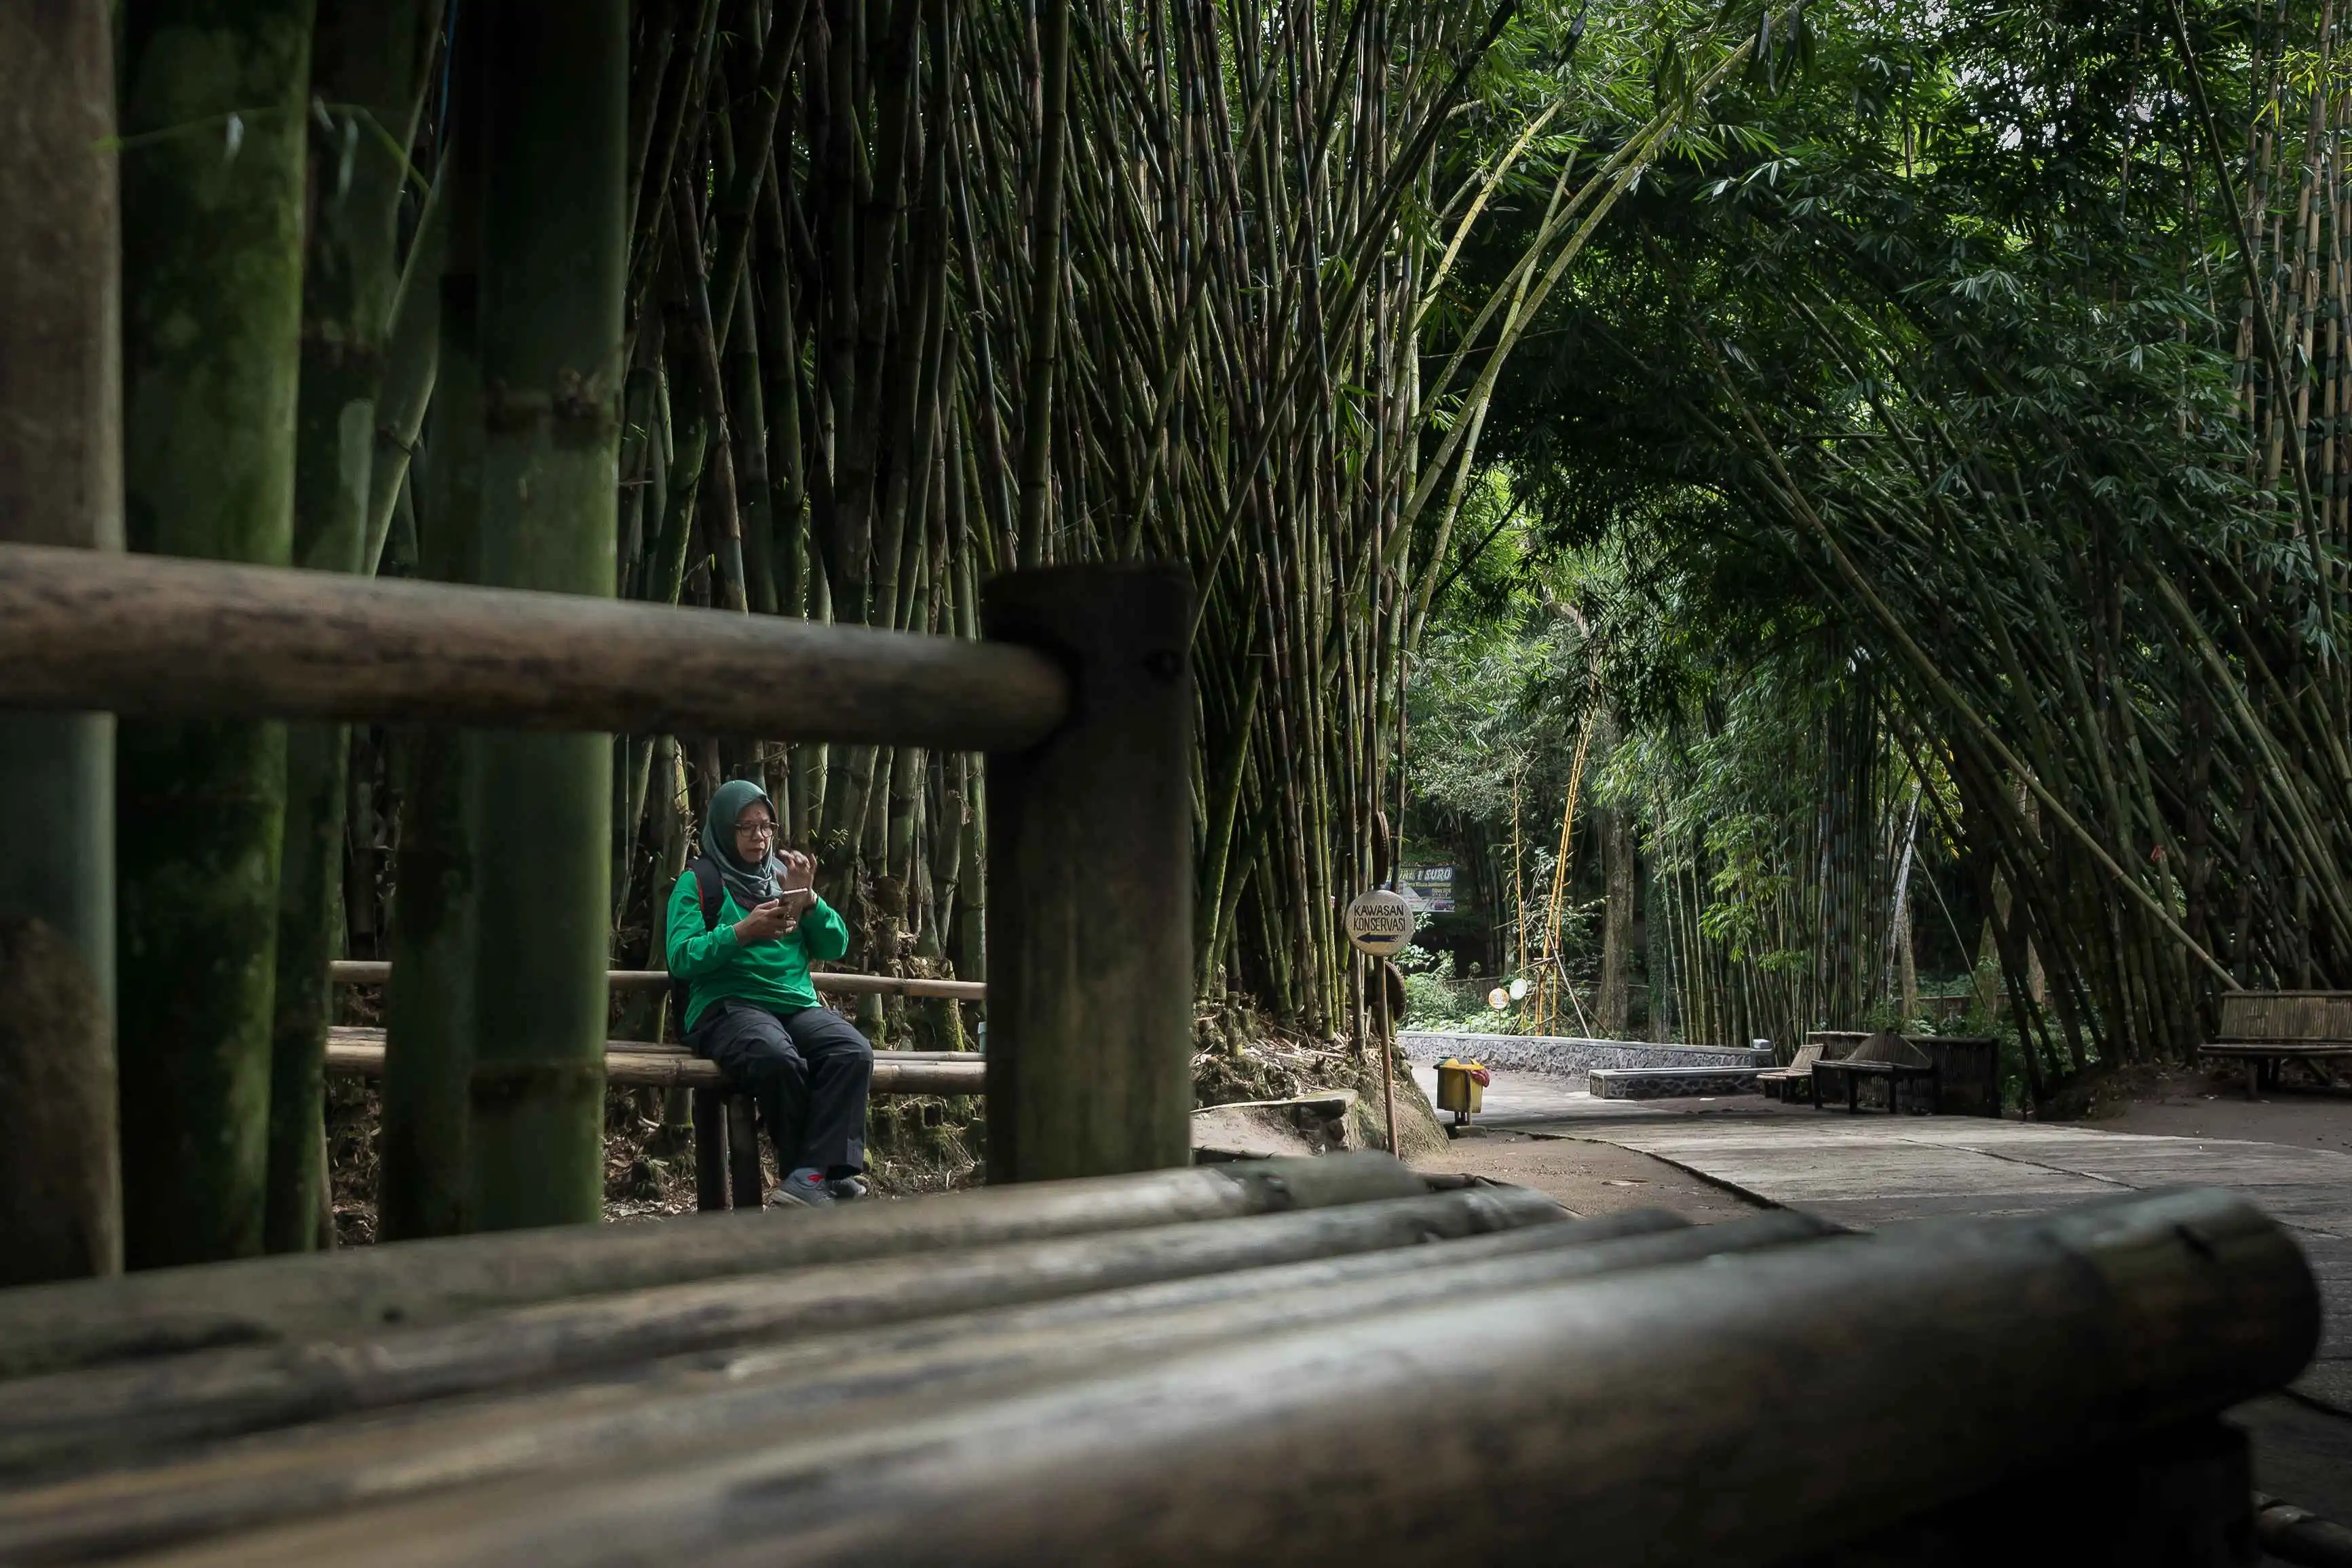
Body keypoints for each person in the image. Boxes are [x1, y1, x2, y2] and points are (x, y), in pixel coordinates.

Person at [666, 779, 872, 1206]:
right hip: (727, 1006)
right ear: (724, 829)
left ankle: (809, 1177)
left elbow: (836, 946)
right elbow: (682, 957)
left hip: (795, 1004)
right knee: (776, 1056)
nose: (758, 837)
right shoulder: (699, 882)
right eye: (746, 827)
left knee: (852, 1051)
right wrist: (742, 932)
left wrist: (809, 899)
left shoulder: (783, 877)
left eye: (766, 827)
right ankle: (817, 1174)